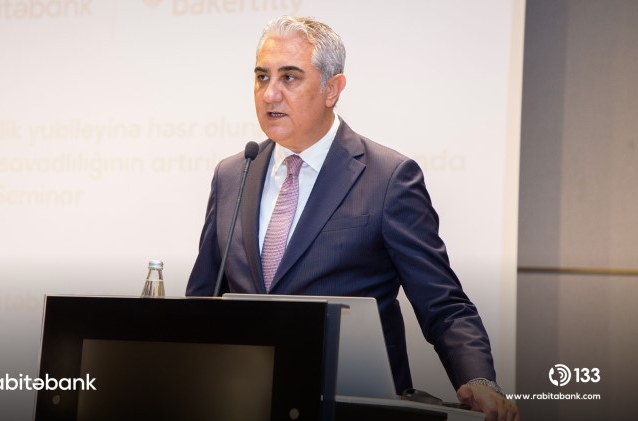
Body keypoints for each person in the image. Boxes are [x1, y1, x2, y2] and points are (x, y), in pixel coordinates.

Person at [186, 15, 519, 421]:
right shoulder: (233, 173)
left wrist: (480, 381)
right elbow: (202, 300)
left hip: (351, 407)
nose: (270, 93)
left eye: (289, 77)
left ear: (333, 89)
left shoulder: (388, 178)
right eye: (261, 77)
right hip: (246, 401)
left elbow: (443, 304)